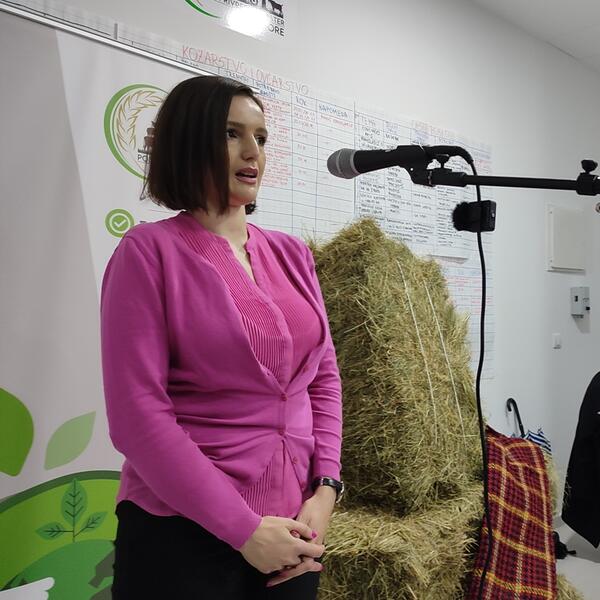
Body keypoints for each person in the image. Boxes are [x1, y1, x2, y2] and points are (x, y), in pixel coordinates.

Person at [100, 75, 344, 599]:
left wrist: (326, 489)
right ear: (189, 141)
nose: (253, 152)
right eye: (232, 134)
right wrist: (244, 529)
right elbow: (137, 417)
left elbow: (322, 379)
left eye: (261, 137)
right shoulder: (148, 252)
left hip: (292, 533)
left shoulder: (293, 254)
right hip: (182, 532)